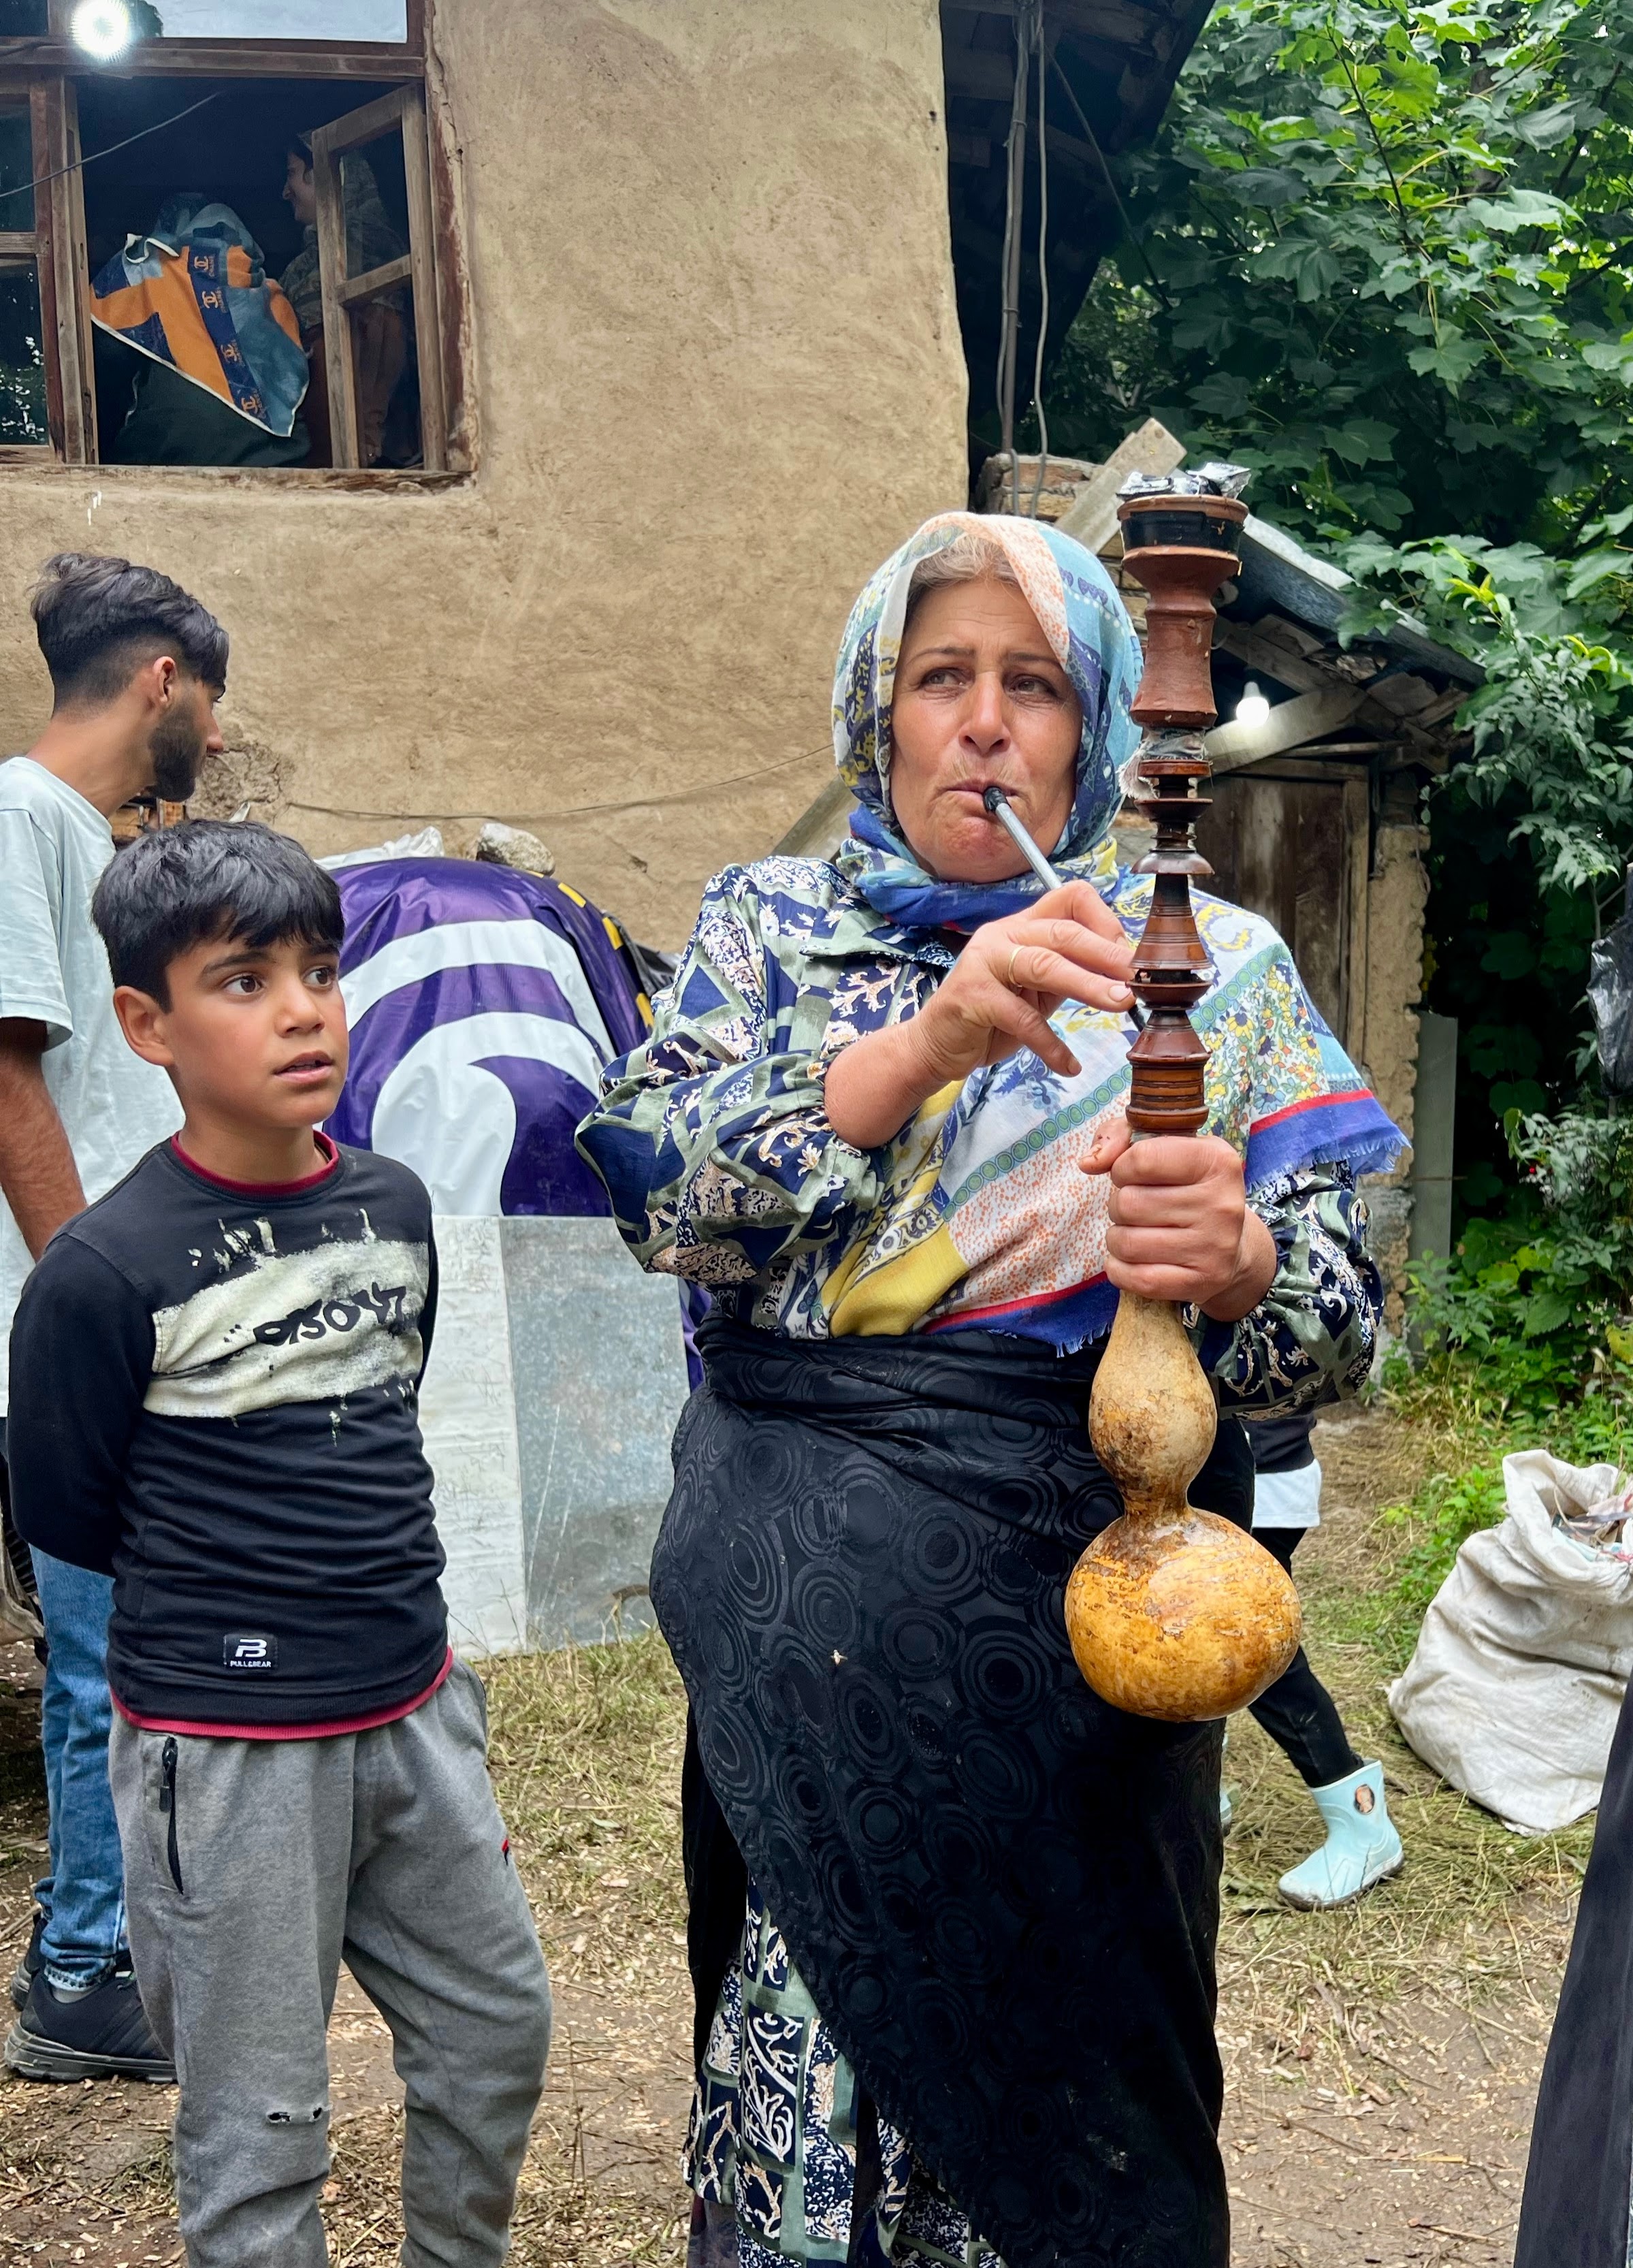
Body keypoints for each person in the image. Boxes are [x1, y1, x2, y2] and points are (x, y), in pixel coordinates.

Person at [576, 513, 1404, 2268]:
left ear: (1092, 729)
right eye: (937, 677)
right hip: (805, 1655)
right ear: (874, 716)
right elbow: (656, 1194)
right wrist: (921, 1044)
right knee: (819, 2054)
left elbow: (1342, 1328)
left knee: (1071, 2104)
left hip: (1087, 1669)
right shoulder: (767, 928)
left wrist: (1234, 1258)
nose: (979, 722)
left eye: (1030, 684)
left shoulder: (1203, 970)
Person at [5, 820, 552, 2266]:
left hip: (415, 1714)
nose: (305, 1008)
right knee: (258, 2134)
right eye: (243, 980)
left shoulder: (390, 1205)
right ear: (145, 1024)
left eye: (319, 969)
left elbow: (385, 1402)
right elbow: (67, 1508)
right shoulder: (103, 1271)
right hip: (232, 1750)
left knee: (496, 2029)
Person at [0, 552, 225, 2083]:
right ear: (160, 682)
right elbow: (9, 1074)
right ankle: (88, 1970)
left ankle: (83, 1930)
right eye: (207, 703)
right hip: (60, 1331)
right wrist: (95, 1309)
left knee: (113, 1645)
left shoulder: (75, 832)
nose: (208, 733)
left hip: (77, 1319)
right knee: (102, 1657)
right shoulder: (25, 819)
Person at [1227, 1411, 1404, 1907]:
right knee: (1193, 1631)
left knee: (1252, 1651)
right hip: (1240, 1466)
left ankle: (1364, 1830)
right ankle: (1196, 1791)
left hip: (1255, 1472)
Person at [91, 198, 311, 468]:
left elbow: (103, 356)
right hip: (277, 458)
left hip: (169, 452)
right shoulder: (271, 297)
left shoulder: (146, 269)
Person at [280, 135, 411, 468]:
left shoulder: (356, 267)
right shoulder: (308, 268)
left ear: (327, 177)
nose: (285, 191)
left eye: (292, 172)